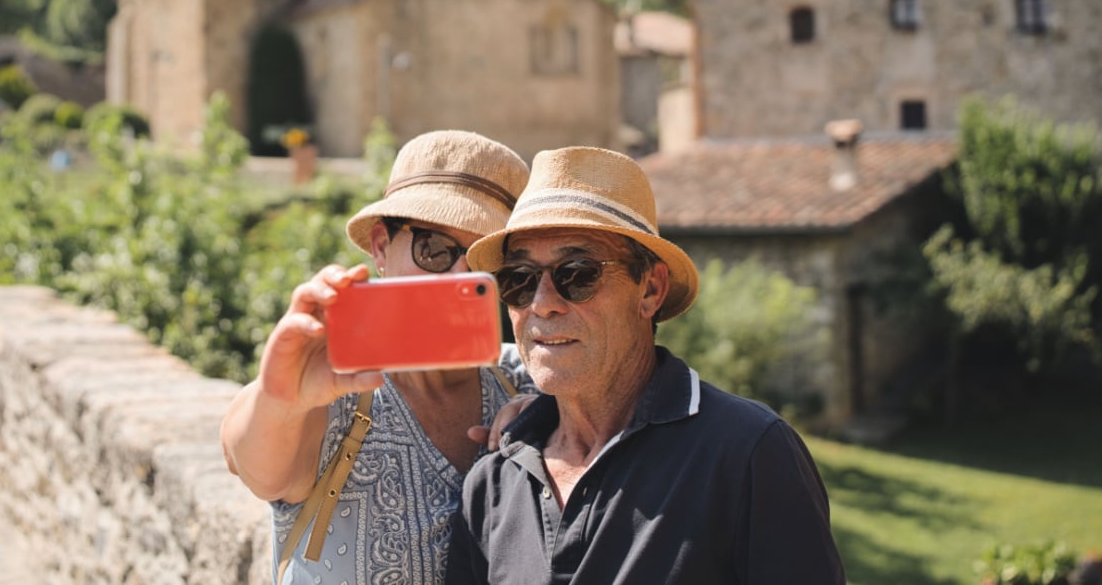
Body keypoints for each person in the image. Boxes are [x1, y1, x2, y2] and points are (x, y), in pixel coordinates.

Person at [448, 146, 845, 584]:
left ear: (651, 289)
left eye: (577, 273)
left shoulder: (749, 452)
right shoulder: (493, 481)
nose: (542, 303)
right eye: (518, 279)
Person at [220, 130, 535, 584]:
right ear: (381, 247)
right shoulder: (338, 385)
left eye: (487, 260)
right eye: (435, 249)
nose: (457, 275)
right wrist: (280, 398)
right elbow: (254, 465)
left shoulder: (528, 382)